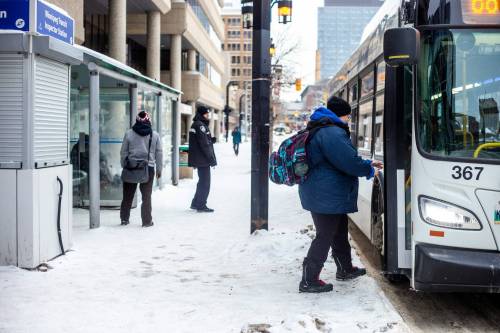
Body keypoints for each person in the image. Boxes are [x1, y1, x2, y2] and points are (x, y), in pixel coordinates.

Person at [298, 96, 383, 293]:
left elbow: (337, 159)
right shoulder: (331, 133)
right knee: (325, 235)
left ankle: (345, 268)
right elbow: (348, 162)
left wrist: (368, 163)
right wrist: (370, 170)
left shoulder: (324, 129)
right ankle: (309, 279)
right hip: (325, 194)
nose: (349, 120)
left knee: (339, 230)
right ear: (341, 115)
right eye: (347, 116)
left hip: (325, 192)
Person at [120, 111, 163, 227]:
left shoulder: (128, 134)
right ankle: (147, 221)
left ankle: (124, 219)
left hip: (131, 167)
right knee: (146, 197)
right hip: (148, 169)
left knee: (128, 195)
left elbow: (123, 152)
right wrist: (159, 170)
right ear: (148, 120)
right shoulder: (155, 135)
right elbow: (159, 153)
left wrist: (124, 164)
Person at [189, 106, 217, 213]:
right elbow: (204, 144)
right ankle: (201, 205)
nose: (208, 116)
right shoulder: (200, 125)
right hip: (203, 159)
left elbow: (202, 141)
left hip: (200, 158)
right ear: (201, 114)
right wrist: (211, 159)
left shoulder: (197, 124)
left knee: (202, 182)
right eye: (206, 114)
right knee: (205, 183)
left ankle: (196, 203)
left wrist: (211, 140)